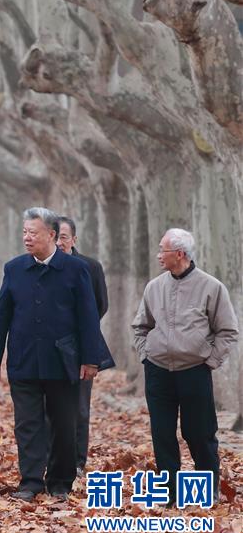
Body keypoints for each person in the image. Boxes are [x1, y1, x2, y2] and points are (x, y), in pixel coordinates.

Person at [0, 207, 102, 502]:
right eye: (24, 232)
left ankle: (61, 480)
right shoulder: (14, 269)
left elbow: (88, 316)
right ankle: (31, 480)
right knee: (27, 424)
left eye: (32, 232)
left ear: (51, 235)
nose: (27, 238)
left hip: (63, 361)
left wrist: (90, 358)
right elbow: (1, 316)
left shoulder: (76, 270)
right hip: (24, 359)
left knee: (64, 423)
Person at [132, 228, 238, 504]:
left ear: (179, 254)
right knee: (162, 434)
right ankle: (168, 493)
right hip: (158, 372)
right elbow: (140, 326)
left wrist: (210, 361)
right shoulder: (154, 287)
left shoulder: (211, 287)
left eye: (162, 250)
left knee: (199, 433)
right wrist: (146, 354)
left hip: (194, 372)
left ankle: (207, 488)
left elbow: (227, 331)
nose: (158, 256)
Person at [55, 216, 110, 474]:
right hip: (48, 347)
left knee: (79, 408)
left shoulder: (90, 267)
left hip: (80, 347)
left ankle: (77, 461)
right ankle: (52, 458)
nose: (59, 242)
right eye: (55, 236)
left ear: (74, 239)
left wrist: (79, 332)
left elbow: (100, 305)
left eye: (64, 237)